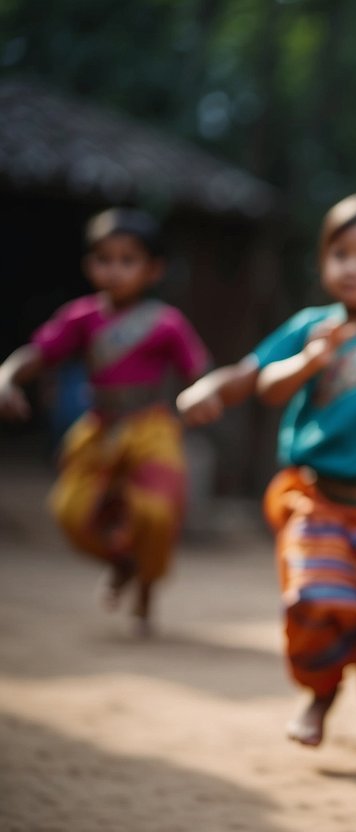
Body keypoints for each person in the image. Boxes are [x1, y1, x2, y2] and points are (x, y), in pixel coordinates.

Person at [189, 190, 356, 752]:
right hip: (323, 503)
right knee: (315, 601)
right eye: (339, 254)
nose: (350, 268)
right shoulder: (312, 328)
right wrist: (287, 367)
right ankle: (318, 697)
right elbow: (259, 381)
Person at [0, 208, 209, 636]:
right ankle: (122, 563)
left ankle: (146, 594)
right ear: (89, 265)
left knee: (155, 513)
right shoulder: (80, 318)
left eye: (127, 260)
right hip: (98, 426)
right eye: (104, 259)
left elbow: (198, 372)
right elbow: (38, 354)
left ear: (153, 270)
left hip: (151, 427)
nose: (114, 270)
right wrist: (5, 376)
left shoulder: (166, 323)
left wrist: (202, 396)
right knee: (71, 509)